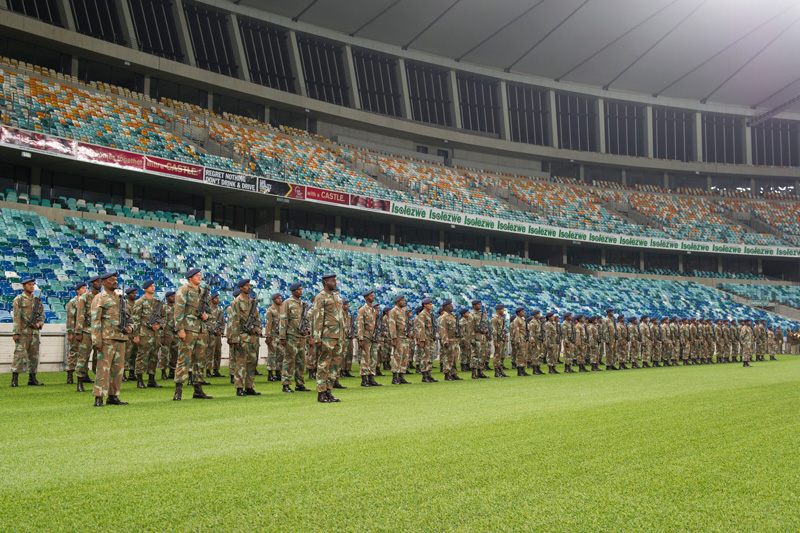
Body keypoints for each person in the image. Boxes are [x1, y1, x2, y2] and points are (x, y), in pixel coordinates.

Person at [90, 272, 131, 406]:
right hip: (106, 338)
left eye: (115, 279)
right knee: (103, 368)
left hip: (120, 337)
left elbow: (129, 317)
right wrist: (96, 340)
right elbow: (95, 320)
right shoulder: (100, 298)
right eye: (111, 280)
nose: (115, 282)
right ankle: (99, 396)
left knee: (118, 369)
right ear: (103, 282)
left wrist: (130, 327)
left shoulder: (120, 299)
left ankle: (113, 395)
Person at [172, 268, 212, 401]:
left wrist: (206, 317)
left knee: (200, 360)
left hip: (200, 329)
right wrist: (180, 329)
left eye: (200, 276)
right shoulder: (184, 290)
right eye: (197, 276)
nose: (199, 278)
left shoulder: (202, 292)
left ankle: (198, 389)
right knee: (184, 358)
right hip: (188, 329)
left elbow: (208, 309)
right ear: (190, 278)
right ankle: (178, 389)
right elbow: (178, 310)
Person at [311, 273, 346, 403]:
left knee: (335, 364)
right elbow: (318, 318)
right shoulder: (320, 297)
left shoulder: (336, 297)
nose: (335, 283)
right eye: (333, 281)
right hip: (326, 336)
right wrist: (317, 338)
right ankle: (321, 392)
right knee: (323, 364)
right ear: (326, 282)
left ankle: (329, 391)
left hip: (338, 336)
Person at [228, 279, 261, 396]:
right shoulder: (236, 303)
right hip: (242, 337)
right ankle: (239, 387)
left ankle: (249, 386)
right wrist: (235, 339)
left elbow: (258, 319)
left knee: (252, 363)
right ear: (241, 288)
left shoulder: (252, 303)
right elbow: (234, 322)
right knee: (241, 364)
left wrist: (256, 330)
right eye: (246, 286)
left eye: (249, 285)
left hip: (252, 338)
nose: (248, 287)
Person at [10, 277, 44, 387]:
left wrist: (38, 324)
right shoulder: (18, 299)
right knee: (19, 355)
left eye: (33, 284)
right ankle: (15, 378)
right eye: (29, 284)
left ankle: (32, 378)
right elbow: (17, 317)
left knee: (34, 356)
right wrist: (16, 332)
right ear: (23, 286)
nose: (31, 286)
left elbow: (42, 316)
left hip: (34, 333)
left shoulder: (37, 300)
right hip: (23, 332)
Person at [132, 280, 164, 389]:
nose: (153, 288)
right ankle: (139, 379)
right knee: (142, 356)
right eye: (150, 286)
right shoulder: (139, 302)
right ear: (145, 288)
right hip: (144, 333)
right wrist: (136, 335)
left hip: (155, 334)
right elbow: (135, 320)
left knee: (154, 356)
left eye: (154, 286)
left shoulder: (157, 302)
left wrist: (158, 326)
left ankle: (151, 379)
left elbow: (163, 317)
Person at [74, 275, 102, 391]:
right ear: (92, 284)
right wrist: (78, 332)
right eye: (97, 282)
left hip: (99, 332)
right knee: (83, 356)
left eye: (101, 282)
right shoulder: (84, 298)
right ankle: (80, 381)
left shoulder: (101, 297)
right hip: (86, 331)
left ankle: (98, 380)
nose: (100, 284)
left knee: (98, 357)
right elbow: (80, 315)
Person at [356, 290, 380, 387]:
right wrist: (360, 338)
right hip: (366, 337)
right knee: (365, 358)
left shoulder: (373, 310)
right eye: (371, 296)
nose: (373, 297)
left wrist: (377, 335)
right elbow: (360, 324)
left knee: (373, 358)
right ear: (366, 298)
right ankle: (364, 379)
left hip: (373, 337)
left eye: (373, 295)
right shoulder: (363, 310)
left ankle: (371, 377)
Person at [65, 282, 86, 384]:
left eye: (85, 288)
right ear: (78, 290)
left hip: (85, 330)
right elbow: (70, 319)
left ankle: (83, 374)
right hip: (75, 330)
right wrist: (70, 332)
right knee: (74, 352)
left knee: (84, 353)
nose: (85, 290)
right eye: (82, 288)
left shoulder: (87, 301)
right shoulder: (73, 302)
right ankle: (70, 374)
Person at [437, 300, 462, 381]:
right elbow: (442, 330)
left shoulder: (453, 316)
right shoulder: (443, 317)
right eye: (449, 305)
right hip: (449, 339)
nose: (451, 306)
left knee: (455, 358)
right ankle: (447, 374)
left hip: (455, 339)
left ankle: (453, 373)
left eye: (451, 304)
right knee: (448, 358)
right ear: (445, 307)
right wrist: (445, 341)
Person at [158, 291, 178, 379]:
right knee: (165, 354)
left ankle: (172, 371)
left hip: (175, 333)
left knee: (175, 353)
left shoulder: (176, 308)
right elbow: (162, 322)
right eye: (171, 296)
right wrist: (162, 336)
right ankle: (163, 371)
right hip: (166, 333)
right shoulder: (164, 308)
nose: (173, 298)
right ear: (167, 298)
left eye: (174, 296)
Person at [264, 292, 283, 382]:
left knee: (280, 354)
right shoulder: (270, 310)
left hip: (280, 335)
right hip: (273, 335)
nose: (280, 300)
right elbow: (268, 324)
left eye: (281, 298)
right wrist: (268, 336)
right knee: (272, 355)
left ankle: (278, 372)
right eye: (278, 298)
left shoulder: (282, 309)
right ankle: (270, 373)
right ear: (274, 300)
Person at [206, 293, 224, 377]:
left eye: (218, 298)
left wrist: (220, 331)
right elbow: (206, 322)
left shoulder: (219, 311)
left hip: (217, 335)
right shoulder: (208, 310)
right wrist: (211, 330)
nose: (218, 299)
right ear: (212, 299)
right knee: (210, 353)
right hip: (210, 334)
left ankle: (216, 370)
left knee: (218, 352)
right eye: (216, 298)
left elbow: (222, 323)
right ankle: (208, 370)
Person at [122, 287, 138, 381]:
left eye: (135, 293)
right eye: (132, 293)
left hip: (135, 331)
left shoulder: (137, 304)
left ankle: (132, 372)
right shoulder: (124, 305)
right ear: (128, 295)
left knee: (134, 352)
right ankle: (123, 372)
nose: (134, 295)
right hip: (128, 331)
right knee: (126, 352)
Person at [490, 304, 508, 377]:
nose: (503, 311)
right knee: (497, 355)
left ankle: (501, 369)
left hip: (502, 339)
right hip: (498, 339)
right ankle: (496, 371)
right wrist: (495, 341)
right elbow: (494, 331)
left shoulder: (502, 319)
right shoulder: (494, 319)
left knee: (502, 355)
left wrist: (506, 336)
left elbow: (504, 329)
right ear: (498, 310)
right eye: (502, 309)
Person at [510, 307, 527, 376]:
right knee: (519, 354)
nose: (524, 313)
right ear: (518, 313)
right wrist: (518, 341)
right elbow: (516, 331)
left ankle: (523, 369)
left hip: (523, 338)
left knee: (523, 354)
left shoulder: (522, 320)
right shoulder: (516, 320)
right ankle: (519, 370)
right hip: (520, 339)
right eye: (522, 312)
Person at [527, 309, 544, 375]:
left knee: (539, 354)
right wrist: (533, 341)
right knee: (535, 355)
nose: (539, 315)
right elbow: (531, 332)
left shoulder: (538, 322)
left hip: (539, 340)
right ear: (535, 315)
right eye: (538, 314)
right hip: (535, 340)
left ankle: (538, 368)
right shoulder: (532, 322)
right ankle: (535, 369)